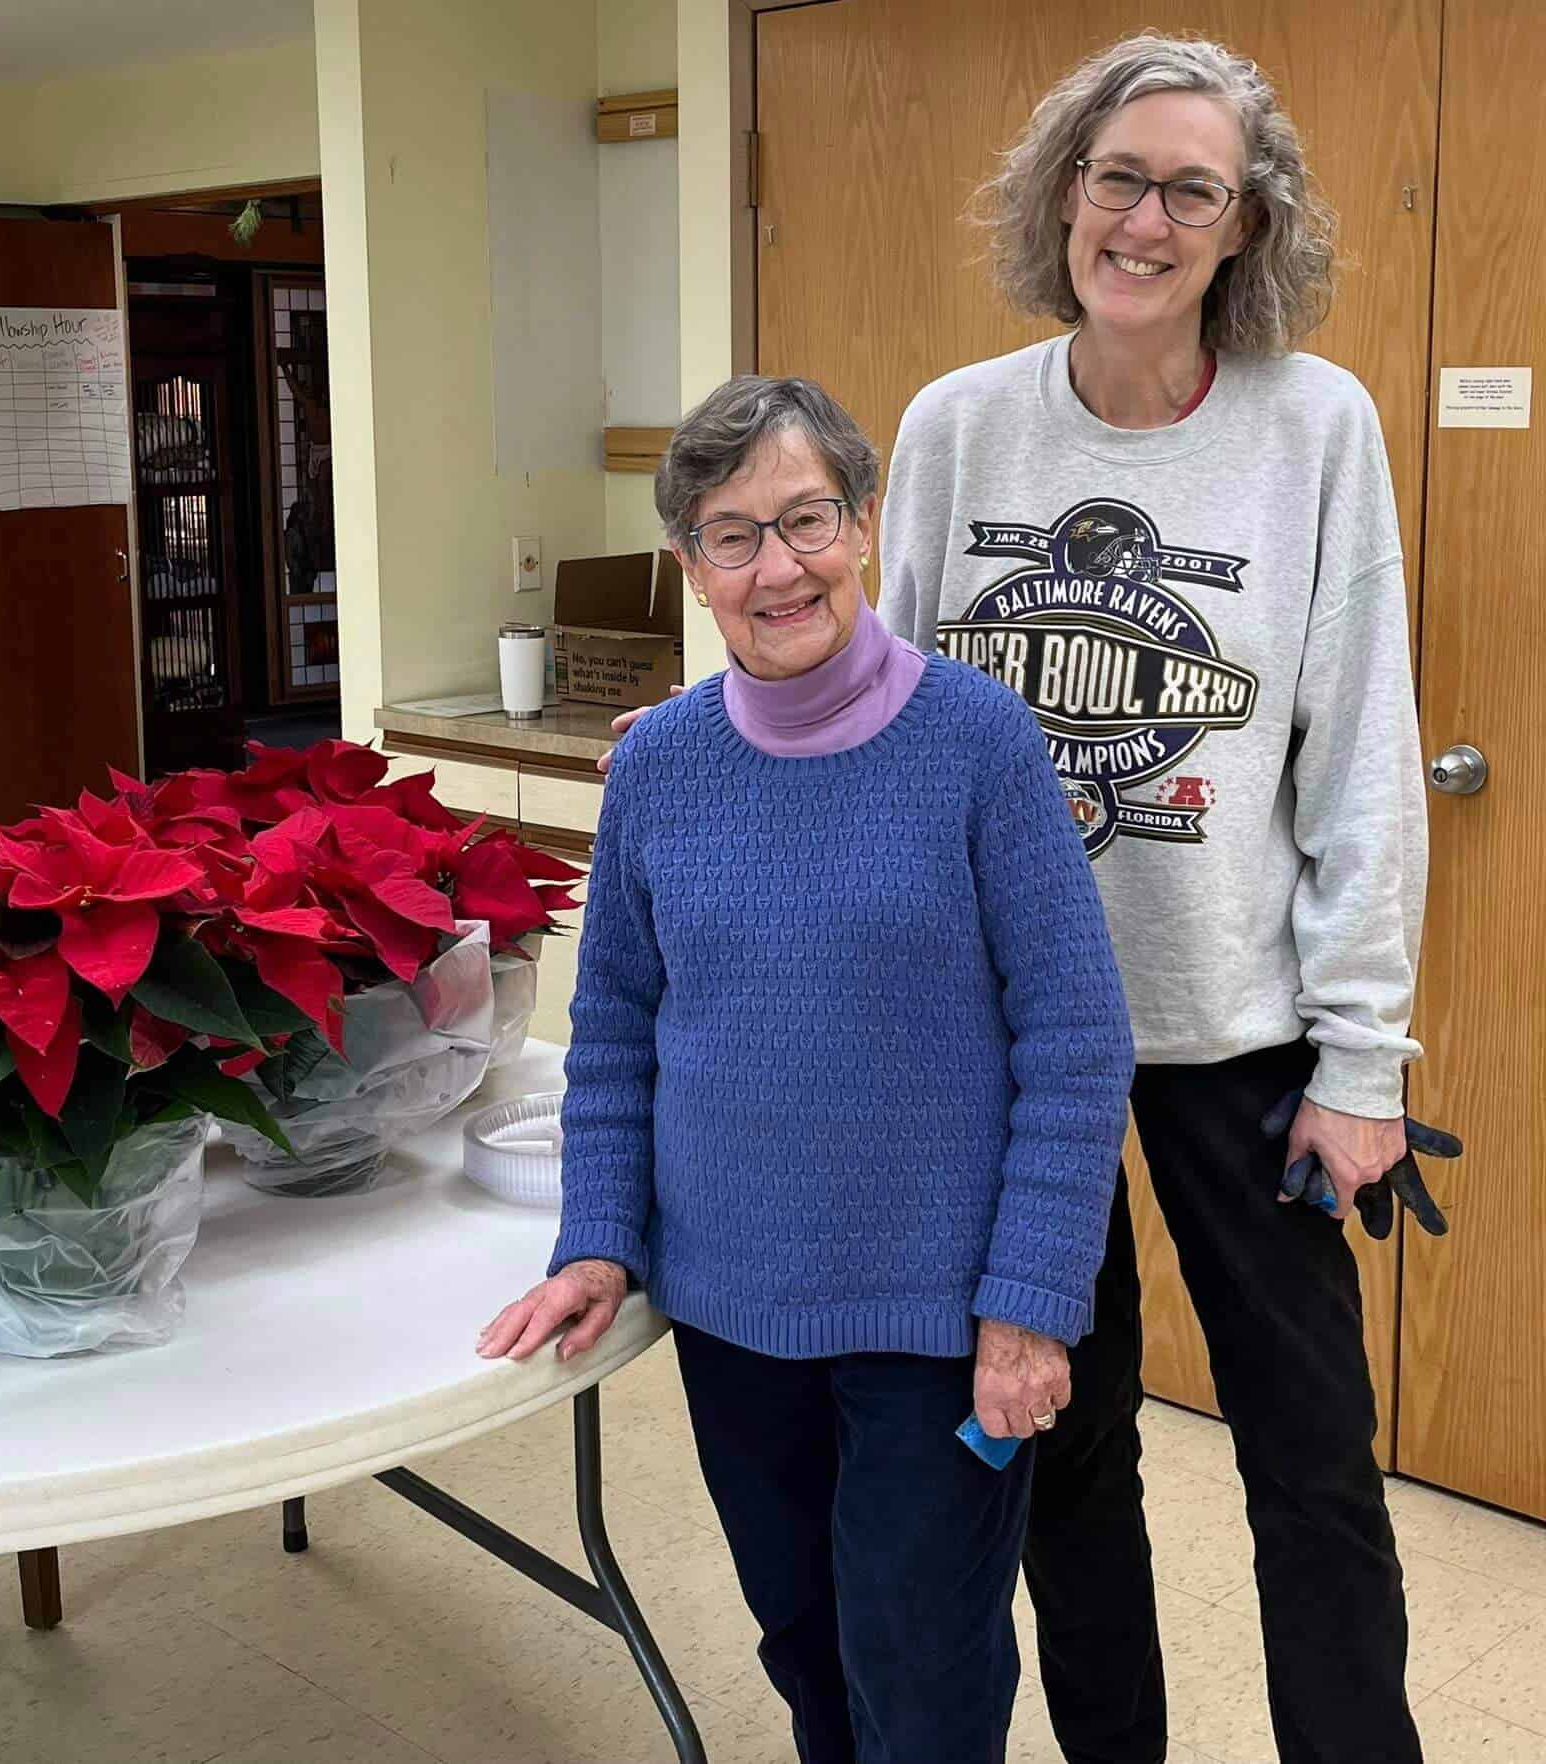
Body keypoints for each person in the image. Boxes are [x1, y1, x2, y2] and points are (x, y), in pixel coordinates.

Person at [607, 33, 1433, 1764]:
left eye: (1189, 189)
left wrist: (1364, 1059)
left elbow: (1361, 748)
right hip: (989, 1029)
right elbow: (858, 670)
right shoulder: (963, 423)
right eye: (1115, 176)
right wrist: (705, 734)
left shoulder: (1317, 426)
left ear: (1242, 223)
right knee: (1070, 1445)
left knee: (1309, 1456)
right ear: (1065, 191)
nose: (1144, 217)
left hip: (1235, 1023)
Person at [480, 374, 1135, 1763]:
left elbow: (1077, 1043)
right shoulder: (657, 765)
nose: (779, 566)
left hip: (935, 1324)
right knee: (805, 1651)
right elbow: (614, 1033)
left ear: (863, 525)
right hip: (732, 1313)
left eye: (807, 519)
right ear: (690, 570)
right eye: (733, 535)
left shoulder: (977, 742)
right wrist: (598, 1239)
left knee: (925, 1673)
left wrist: (1031, 1309)